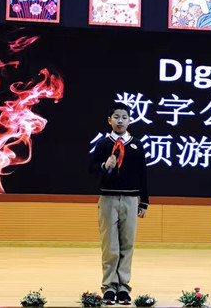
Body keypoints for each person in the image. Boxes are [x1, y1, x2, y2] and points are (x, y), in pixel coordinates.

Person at [89, 102, 149, 306]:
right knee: (110, 245)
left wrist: (144, 202)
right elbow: (91, 169)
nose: (120, 121)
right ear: (109, 120)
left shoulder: (137, 145)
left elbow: (143, 174)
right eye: (116, 117)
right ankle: (109, 285)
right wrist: (104, 165)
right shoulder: (103, 144)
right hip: (108, 199)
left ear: (130, 120)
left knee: (127, 243)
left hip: (131, 200)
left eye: (124, 117)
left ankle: (123, 286)